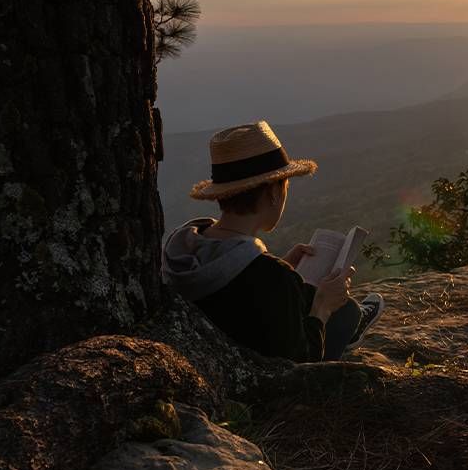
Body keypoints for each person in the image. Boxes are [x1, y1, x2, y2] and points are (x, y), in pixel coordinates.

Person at [160, 120, 383, 361]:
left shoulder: (181, 251)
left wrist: (280, 267)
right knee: (343, 309)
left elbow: (237, 293)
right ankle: (351, 325)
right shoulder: (273, 278)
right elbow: (300, 366)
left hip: (218, 352)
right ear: (274, 194)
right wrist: (322, 307)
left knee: (305, 291)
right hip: (258, 373)